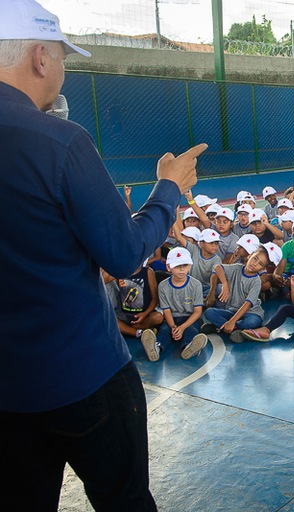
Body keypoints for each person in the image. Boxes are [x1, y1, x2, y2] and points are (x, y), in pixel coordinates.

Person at [0, 1, 207, 509]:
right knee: (124, 499)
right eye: (62, 58)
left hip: (8, 390)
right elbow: (124, 253)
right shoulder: (60, 142)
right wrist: (168, 188)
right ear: (40, 57)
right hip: (82, 374)